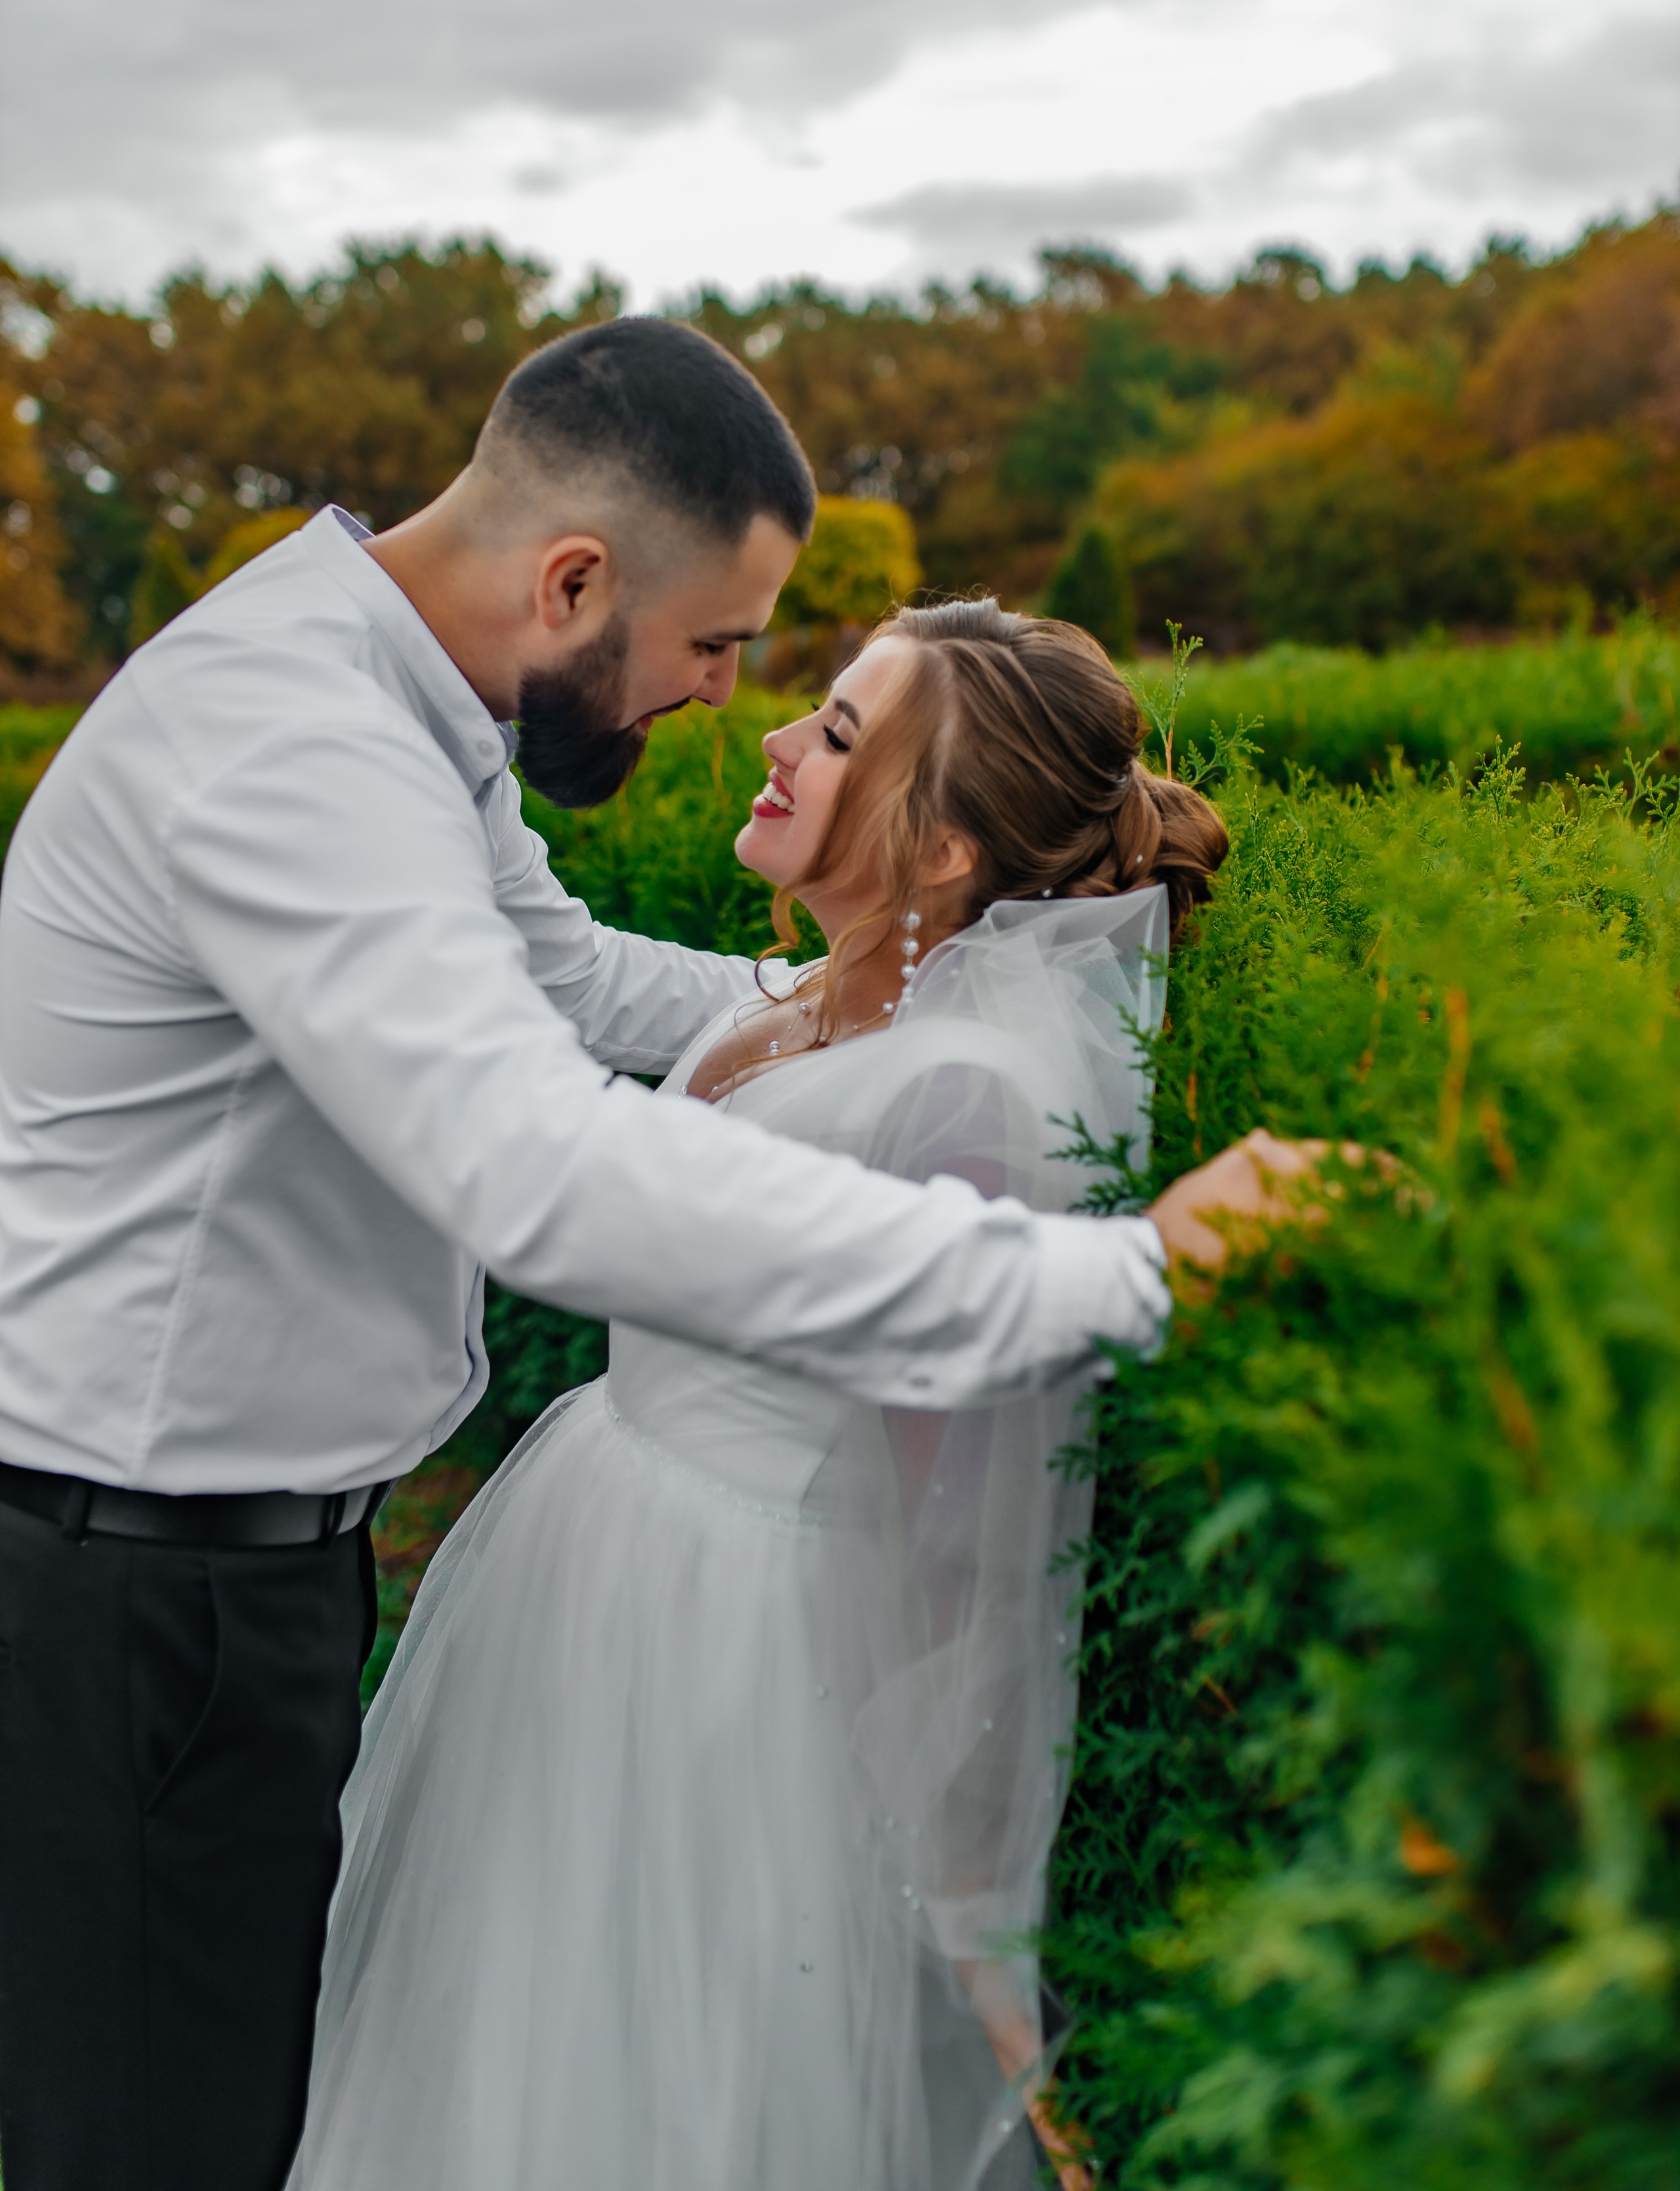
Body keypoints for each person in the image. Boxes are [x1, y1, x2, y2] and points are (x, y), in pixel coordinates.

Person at [0, 318, 1307, 2191]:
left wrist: (862, 1013)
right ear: (575, 581)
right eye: (715, 646)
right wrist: (1120, 1278)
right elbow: (537, 1167)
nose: (724, 703)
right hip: (130, 1596)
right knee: (155, 2140)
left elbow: (570, 974)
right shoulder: (295, 750)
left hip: (239, 1567)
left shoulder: (397, 707)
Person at [287, 602, 1274, 2191]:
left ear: (943, 850)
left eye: (831, 732)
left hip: (739, 1635)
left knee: (678, 2062)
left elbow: (962, 1508)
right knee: (519, 2015)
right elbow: (568, 981)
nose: (768, 739)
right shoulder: (793, 998)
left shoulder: (970, 1093)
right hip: (595, 1542)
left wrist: (964, 1888)